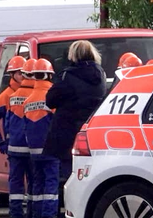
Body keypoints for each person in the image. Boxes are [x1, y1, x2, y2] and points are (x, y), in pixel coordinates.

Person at [45, 40, 107, 202]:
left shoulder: (68, 76)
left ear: (73, 55)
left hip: (67, 130)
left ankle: (68, 207)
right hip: (90, 129)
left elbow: (50, 100)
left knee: (67, 174)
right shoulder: (100, 75)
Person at [22, 59, 61, 218]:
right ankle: (48, 216)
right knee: (51, 181)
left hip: (33, 149)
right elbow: (58, 123)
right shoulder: (52, 98)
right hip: (50, 148)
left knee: (38, 181)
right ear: (49, 75)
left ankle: (37, 217)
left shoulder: (28, 100)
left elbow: (26, 126)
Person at [4, 59, 37, 218]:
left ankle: (16, 215)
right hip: (32, 147)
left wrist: (5, 142)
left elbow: (7, 123)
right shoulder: (38, 95)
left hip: (15, 146)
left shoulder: (12, 97)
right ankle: (32, 213)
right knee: (34, 180)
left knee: (16, 182)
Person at [0, 56, 28, 154]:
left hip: (32, 147)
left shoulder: (32, 92)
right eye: (20, 74)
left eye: (25, 73)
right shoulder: (5, 96)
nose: (23, 76)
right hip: (14, 148)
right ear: (11, 74)